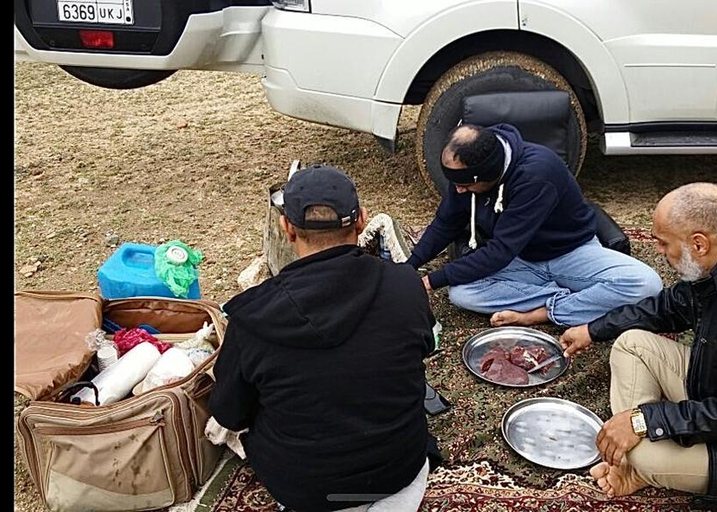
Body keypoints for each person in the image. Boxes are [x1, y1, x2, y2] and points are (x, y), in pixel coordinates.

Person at [209, 165, 437, 512]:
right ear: (361, 219)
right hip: (400, 475)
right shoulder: (406, 284)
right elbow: (425, 349)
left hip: (306, 492)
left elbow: (230, 414)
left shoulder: (252, 317)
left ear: (286, 227)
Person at [559, 182, 717, 508]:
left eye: (663, 243)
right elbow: (669, 307)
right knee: (631, 344)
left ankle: (639, 465)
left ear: (698, 243)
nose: (658, 250)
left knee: (644, 452)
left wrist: (645, 421)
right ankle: (635, 457)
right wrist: (593, 329)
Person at [406, 123, 662, 327]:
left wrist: (429, 281)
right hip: (521, 258)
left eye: (465, 185)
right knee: (462, 293)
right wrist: (409, 267)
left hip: (570, 252)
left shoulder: (537, 173)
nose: (458, 191)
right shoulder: (467, 171)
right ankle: (570, 296)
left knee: (647, 284)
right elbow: (445, 223)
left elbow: (500, 251)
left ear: (490, 172)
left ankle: (542, 312)